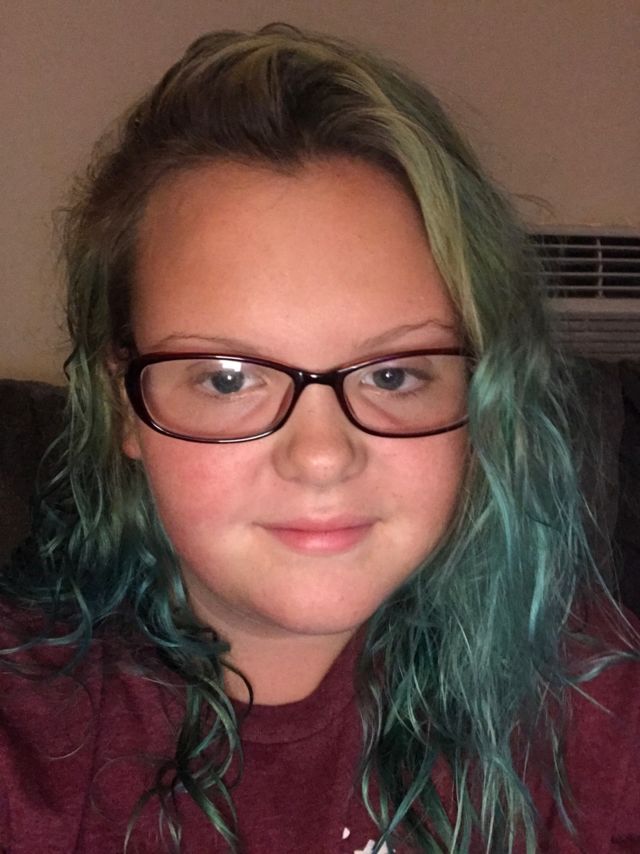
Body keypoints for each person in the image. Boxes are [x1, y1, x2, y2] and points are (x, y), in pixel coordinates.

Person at [0, 22, 638, 854]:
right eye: (228, 378)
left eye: (393, 374)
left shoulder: (594, 714)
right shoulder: (30, 740)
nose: (323, 456)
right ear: (126, 404)